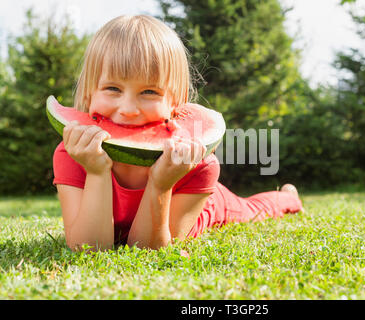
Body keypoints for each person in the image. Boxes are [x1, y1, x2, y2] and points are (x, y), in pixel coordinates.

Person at [53, 15, 304, 252]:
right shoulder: (72, 152)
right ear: (89, 94)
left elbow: (147, 249)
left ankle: (287, 198)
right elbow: (88, 248)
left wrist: (161, 185)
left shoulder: (197, 163)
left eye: (149, 92)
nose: (128, 109)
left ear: (177, 103)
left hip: (208, 204)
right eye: (112, 88)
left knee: (252, 209)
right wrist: (97, 172)